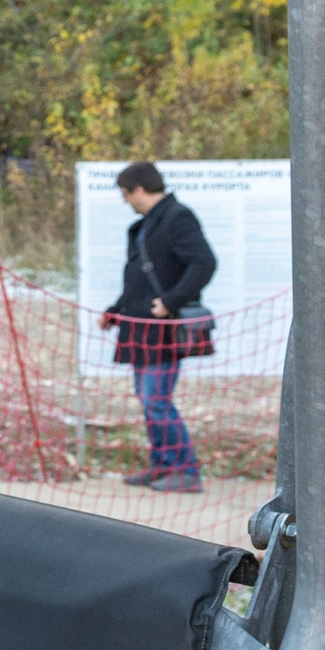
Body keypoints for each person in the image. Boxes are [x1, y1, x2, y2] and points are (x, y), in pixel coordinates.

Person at [102, 161, 212, 494]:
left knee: (156, 399)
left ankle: (186, 470)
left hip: (162, 328)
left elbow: (205, 263)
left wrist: (171, 301)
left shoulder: (178, 217)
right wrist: (114, 311)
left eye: (125, 193)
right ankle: (163, 465)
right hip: (138, 327)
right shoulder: (144, 226)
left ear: (138, 189)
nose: (125, 201)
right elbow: (136, 279)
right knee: (148, 398)